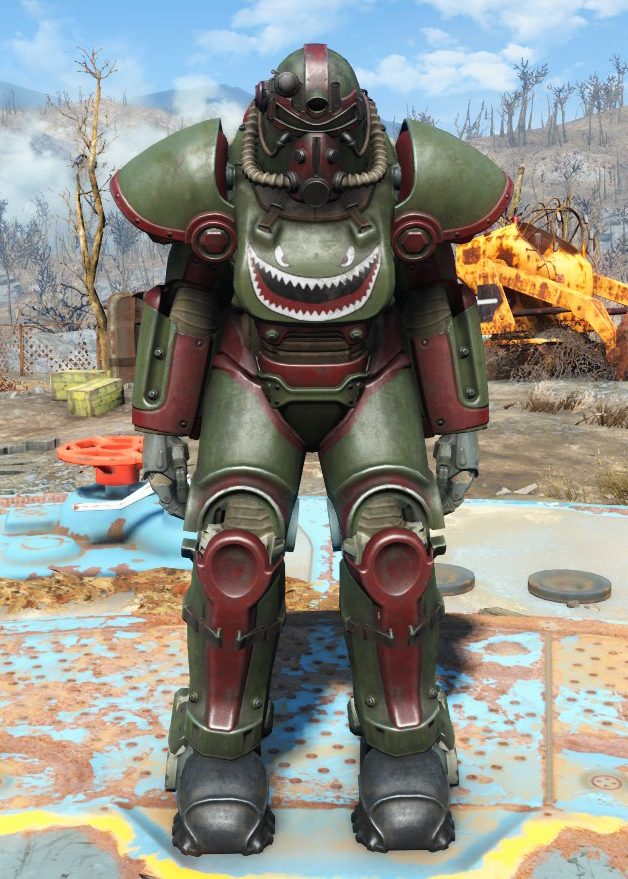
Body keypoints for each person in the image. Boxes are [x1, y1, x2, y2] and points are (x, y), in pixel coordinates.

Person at [111, 43, 512, 856]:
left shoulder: (406, 179)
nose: (319, 168)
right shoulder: (220, 178)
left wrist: (459, 424)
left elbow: (434, 295)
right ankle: (220, 745)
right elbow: (189, 298)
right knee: (233, 547)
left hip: (377, 374)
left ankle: (404, 742)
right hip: (249, 374)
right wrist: (161, 431)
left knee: (395, 546)